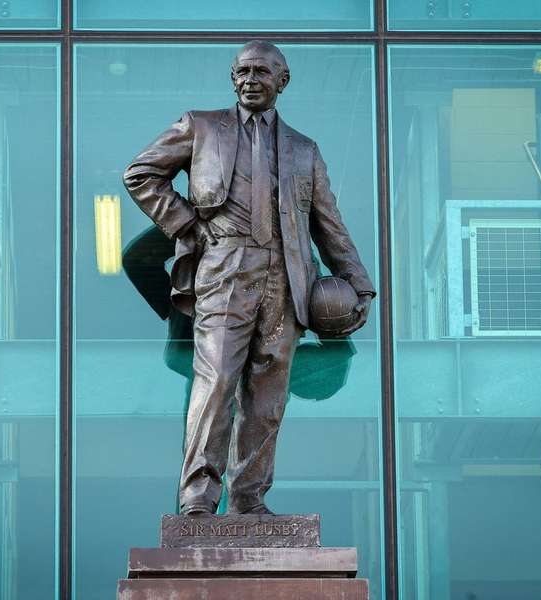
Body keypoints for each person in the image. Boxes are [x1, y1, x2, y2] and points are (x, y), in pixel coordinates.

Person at [123, 40, 375, 515]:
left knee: (268, 393)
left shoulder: (305, 150)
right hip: (225, 269)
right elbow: (141, 174)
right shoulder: (200, 127)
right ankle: (198, 497)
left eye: (262, 72)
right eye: (242, 71)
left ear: (283, 81)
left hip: (284, 279)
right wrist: (187, 225)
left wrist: (358, 283)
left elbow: (329, 225)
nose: (250, 80)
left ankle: (248, 499)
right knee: (216, 378)